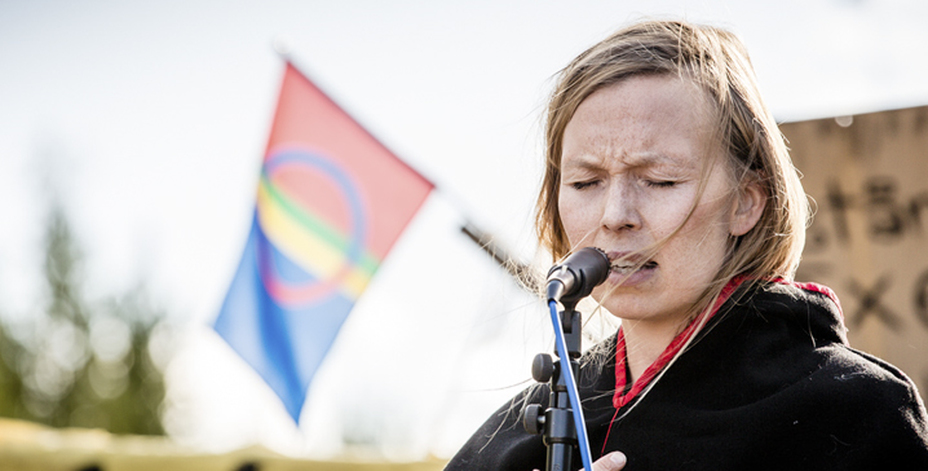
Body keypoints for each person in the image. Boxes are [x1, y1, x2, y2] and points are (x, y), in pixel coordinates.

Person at [445, 19, 928, 471]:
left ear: (746, 202)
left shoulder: (856, 412)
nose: (615, 216)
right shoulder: (509, 441)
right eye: (585, 182)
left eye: (660, 180)